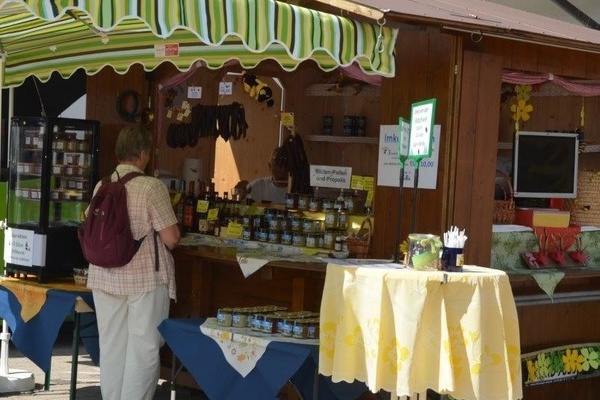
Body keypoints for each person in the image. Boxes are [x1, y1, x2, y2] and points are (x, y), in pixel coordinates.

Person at [86, 125, 180, 400]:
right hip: (144, 279)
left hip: (104, 276)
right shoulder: (152, 187)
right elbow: (171, 238)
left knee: (112, 346)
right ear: (142, 154)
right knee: (144, 349)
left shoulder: (102, 185)